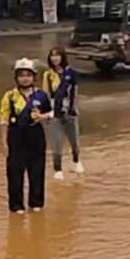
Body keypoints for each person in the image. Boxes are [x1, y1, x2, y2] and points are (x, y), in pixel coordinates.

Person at [0, 58, 54, 214]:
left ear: (33, 77)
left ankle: (36, 202)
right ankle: (16, 206)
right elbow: (3, 120)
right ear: (16, 78)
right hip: (16, 135)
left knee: (37, 170)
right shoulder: (9, 96)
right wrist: (4, 143)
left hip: (35, 134)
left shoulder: (41, 96)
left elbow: (53, 113)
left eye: (28, 75)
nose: (25, 78)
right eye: (21, 75)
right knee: (15, 172)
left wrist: (43, 117)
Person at [42, 46, 83, 181]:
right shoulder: (47, 75)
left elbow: (75, 93)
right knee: (56, 143)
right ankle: (58, 169)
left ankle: (77, 161)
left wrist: (74, 110)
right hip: (55, 112)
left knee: (74, 140)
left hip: (70, 112)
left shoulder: (71, 73)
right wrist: (46, 114)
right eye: (52, 56)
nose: (55, 58)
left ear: (62, 57)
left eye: (57, 55)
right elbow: (45, 95)